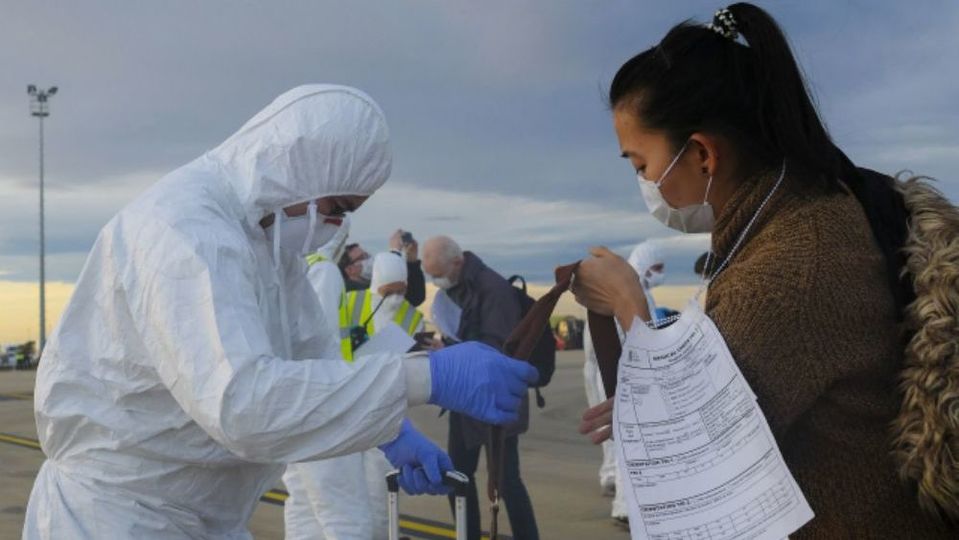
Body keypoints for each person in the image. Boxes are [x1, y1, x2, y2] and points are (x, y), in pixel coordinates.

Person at [23, 85, 538, 540]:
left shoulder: (266, 244)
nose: (335, 227)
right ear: (298, 172)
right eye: (337, 207)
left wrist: (389, 432)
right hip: (119, 517)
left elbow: (311, 357)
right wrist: (425, 378)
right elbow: (242, 403)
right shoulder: (185, 229)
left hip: (199, 516)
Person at [573, 4, 955, 538]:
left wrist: (628, 303)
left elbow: (692, 459)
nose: (644, 183)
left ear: (703, 154)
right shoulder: (810, 211)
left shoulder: (790, 266)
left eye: (642, 165)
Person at [422, 236, 540, 540]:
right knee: (457, 476)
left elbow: (499, 347)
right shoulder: (461, 287)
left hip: (497, 399)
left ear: (458, 262)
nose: (435, 282)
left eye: (437, 274)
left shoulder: (494, 289)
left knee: (506, 482)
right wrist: (444, 346)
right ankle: (467, 534)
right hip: (464, 398)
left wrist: (451, 352)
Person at [581, 240, 671, 524]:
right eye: (656, 268)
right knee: (626, 441)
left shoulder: (630, 292)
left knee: (617, 440)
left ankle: (611, 481)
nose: (659, 274)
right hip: (618, 373)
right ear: (644, 266)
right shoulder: (623, 295)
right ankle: (623, 506)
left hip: (610, 372)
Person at [338, 229, 427, 307]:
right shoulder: (349, 293)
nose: (369, 259)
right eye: (362, 257)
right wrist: (395, 252)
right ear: (349, 269)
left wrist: (412, 260)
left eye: (367, 254)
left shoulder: (373, 284)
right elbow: (387, 298)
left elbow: (415, 298)